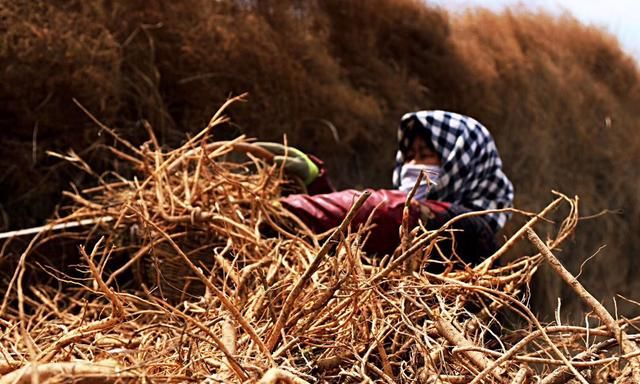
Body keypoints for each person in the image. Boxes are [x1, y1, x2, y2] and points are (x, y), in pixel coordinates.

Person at [258, 110, 514, 265]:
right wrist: (316, 182)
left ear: (462, 162)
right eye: (409, 155)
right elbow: (356, 235)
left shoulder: (470, 229)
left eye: (424, 154)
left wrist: (283, 212)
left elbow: (386, 214)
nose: (412, 164)